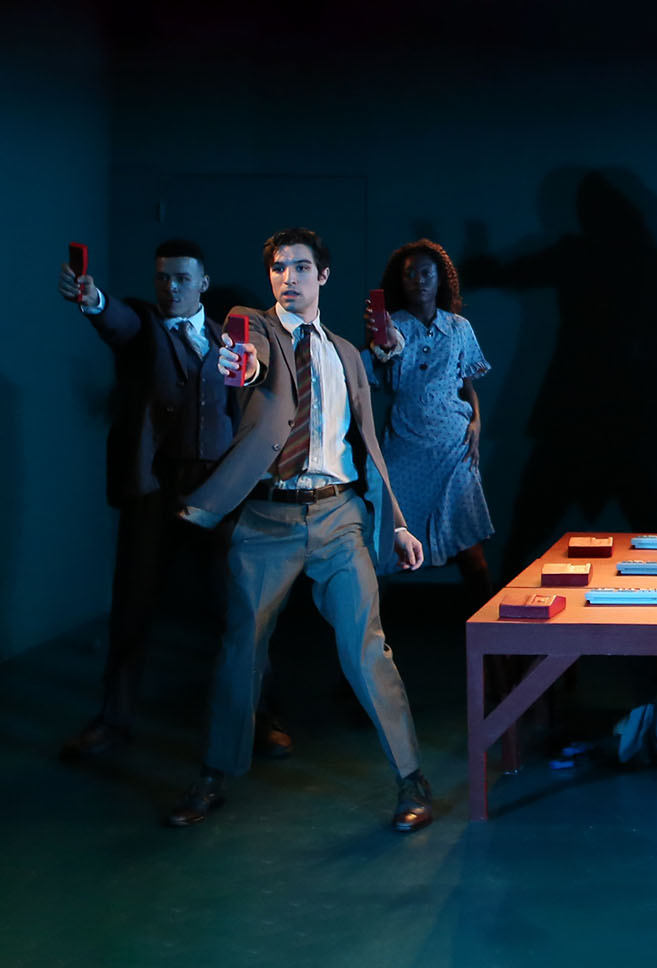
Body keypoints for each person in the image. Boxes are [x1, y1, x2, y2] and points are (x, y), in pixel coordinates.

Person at [167, 228, 435, 833]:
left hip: (339, 516)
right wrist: (240, 363)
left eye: (301, 267)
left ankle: (410, 776)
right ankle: (213, 773)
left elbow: (368, 444)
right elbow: (246, 362)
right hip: (268, 518)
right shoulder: (255, 327)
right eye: (279, 268)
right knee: (242, 649)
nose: (288, 278)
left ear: (323, 275)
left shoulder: (346, 355)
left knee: (367, 648)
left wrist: (396, 522)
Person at [56, 240, 291, 760]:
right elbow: (116, 320)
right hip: (156, 489)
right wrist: (93, 299)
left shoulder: (229, 337)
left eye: (182, 278)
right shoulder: (145, 327)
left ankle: (261, 716)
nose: (170, 288)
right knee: (133, 608)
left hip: (216, 490)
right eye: (162, 278)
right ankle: (113, 721)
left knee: (240, 608)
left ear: (202, 283)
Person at [362, 239, 494, 595]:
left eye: (426, 273)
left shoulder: (459, 327)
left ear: (440, 279)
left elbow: (467, 385)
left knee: (470, 549)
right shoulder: (392, 326)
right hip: (405, 442)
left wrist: (476, 423)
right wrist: (382, 343)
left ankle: (489, 629)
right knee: (386, 543)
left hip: (454, 446)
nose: (418, 280)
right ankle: (369, 626)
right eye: (410, 274)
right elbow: (377, 367)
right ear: (400, 280)